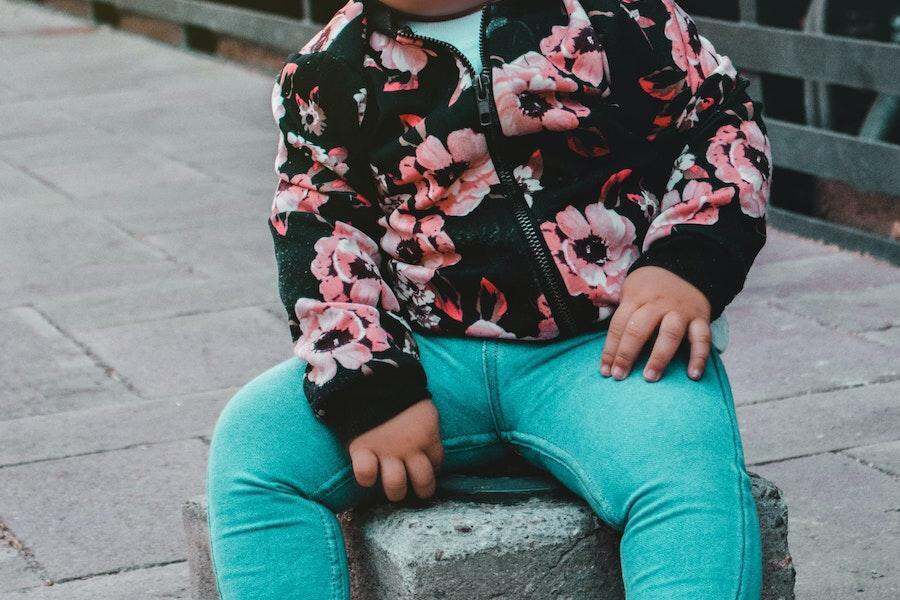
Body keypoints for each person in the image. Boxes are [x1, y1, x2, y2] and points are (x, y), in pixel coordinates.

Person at [206, 0, 772, 597]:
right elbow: (320, 224)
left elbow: (720, 117)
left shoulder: (616, 16)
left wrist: (683, 264)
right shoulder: (327, 71)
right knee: (254, 448)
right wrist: (369, 384)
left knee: (684, 461)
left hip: (606, 352)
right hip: (429, 360)